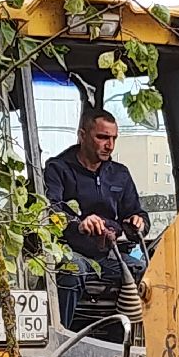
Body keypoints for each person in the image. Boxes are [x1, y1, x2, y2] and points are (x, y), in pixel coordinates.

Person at [44, 107, 149, 327]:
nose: (109, 145)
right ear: (82, 135)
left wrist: (137, 223)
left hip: (107, 254)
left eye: (113, 139)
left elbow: (136, 214)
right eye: (102, 137)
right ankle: (63, 335)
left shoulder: (120, 173)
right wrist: (79, 224)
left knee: (145, 271)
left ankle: (125, 341)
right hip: (69, 250)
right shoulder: (58, 169)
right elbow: (49, 212)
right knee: (72, 269)